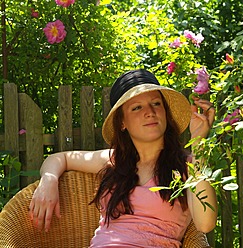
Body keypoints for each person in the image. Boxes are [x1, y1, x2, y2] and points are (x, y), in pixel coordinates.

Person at [29, 69, 217, 247]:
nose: (150, 112)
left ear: (165, 113)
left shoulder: (187, 167)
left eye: (156, 103)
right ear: (122, 123)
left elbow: (205, 224)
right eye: (137, 107)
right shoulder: (115, 160)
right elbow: (59, 158)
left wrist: (199, 142)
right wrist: (49, 180)